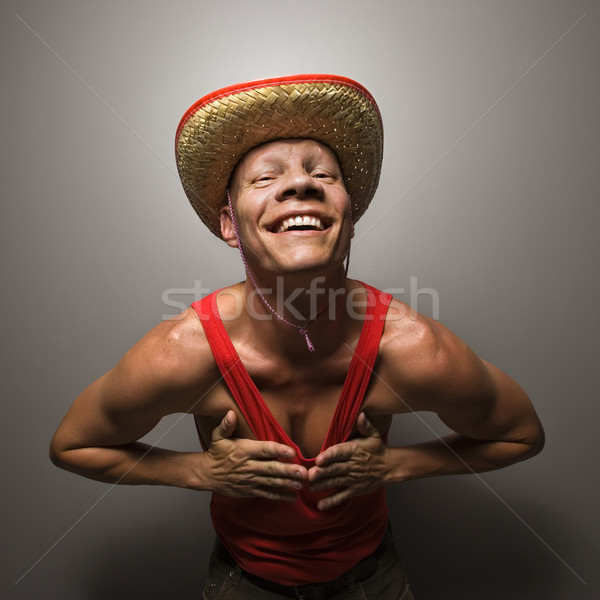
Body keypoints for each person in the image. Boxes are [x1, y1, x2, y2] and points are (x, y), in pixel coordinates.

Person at [50, 74, 544, 599]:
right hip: (242, 585)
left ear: (349, 216)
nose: (299, 184)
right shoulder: (184, 353)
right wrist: (199, 471)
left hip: (373, 582)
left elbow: (521, 434)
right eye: (265, 179)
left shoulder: (410, 347)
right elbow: (73, 445)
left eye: (322, 174)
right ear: (230, 225)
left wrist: (398, 464)